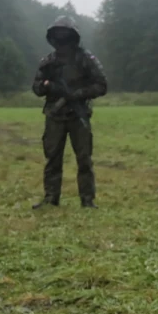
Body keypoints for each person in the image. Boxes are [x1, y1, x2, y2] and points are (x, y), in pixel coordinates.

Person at [31, 16, 107, 210]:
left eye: (65, 34)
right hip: (55, 116)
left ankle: (87, 200)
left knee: (84, 159)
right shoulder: (49, 61)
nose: (61, 37)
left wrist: (78, 94)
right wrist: (49, 86)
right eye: (58, 34)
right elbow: (36, 87)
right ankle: (51, 198)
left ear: (73, 36)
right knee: (52, 158)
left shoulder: (85, 58)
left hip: (78, 115)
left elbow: (101, 85)